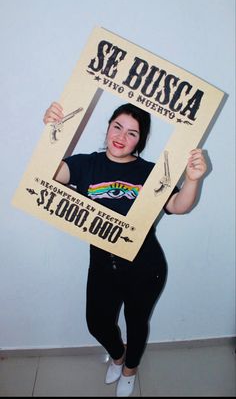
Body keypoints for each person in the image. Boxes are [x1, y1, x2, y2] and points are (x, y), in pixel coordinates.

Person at [43, 101, 207, 397]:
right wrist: (54, 132)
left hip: (145, 266)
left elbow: (177, 206)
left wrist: (192, 181)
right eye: (117, 126)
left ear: (140, 141)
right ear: (108, 127)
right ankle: (119, 357)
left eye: (132, 133)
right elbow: (45, 174)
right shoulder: (84, 164)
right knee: (97, 323)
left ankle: (130, 369)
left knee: (136, 322)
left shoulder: (151, 172)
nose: (121, 136)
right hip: (102, 264)